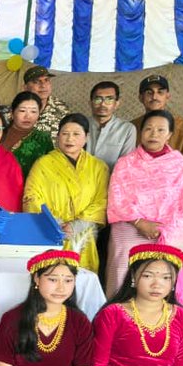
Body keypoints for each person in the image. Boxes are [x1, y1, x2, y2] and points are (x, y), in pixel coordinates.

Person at [105, 110, 183, 301]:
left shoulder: (180, 164)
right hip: (131, 225)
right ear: (141, 132)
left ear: (169, 135)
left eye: (160, 130)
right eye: (148, 129)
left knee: (165, 270)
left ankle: (161, 319)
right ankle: (116, 311)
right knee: (122, 262)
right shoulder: (126, 163)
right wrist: (140, 223)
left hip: (166, 231)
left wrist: (163, 231)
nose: (153, 134)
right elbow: (117, 198)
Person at [23, 114, 110, 272]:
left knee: (82, 281)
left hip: (84, 233)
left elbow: (101, 201)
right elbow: (32, 197)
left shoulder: (99, 167)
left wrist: (77, 226)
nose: (70, 139)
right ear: (58, 137)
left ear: (86, 137)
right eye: (65, 134)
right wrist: (55, 223)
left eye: (76, 134)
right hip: (51, 231)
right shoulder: (43, 164)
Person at [131, 75, 183, 159]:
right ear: (141, 98)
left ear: (167, 96)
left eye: (160, 92)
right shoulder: (131, 127)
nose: (154, 97)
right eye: (149, 92)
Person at [85, 80, 136, 169]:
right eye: (98, 99)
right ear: (90, 102)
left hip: (112, 181)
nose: (103, 104)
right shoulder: (80, 125)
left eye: (109, 99)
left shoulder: (127, 129)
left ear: (116, 104)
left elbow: (126, 165)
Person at [2, 91, 54, 177]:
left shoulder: (43, 139)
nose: (28, 116)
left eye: (33, 112)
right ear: (12, 112)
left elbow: (50, 171)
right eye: (22, 111)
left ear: (39, 115)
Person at [24, 66, 71, 136]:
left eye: (46, 80)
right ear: (25, 87)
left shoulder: (61, 109)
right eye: (36, 82)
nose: (43, 85)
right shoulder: (16, 111)